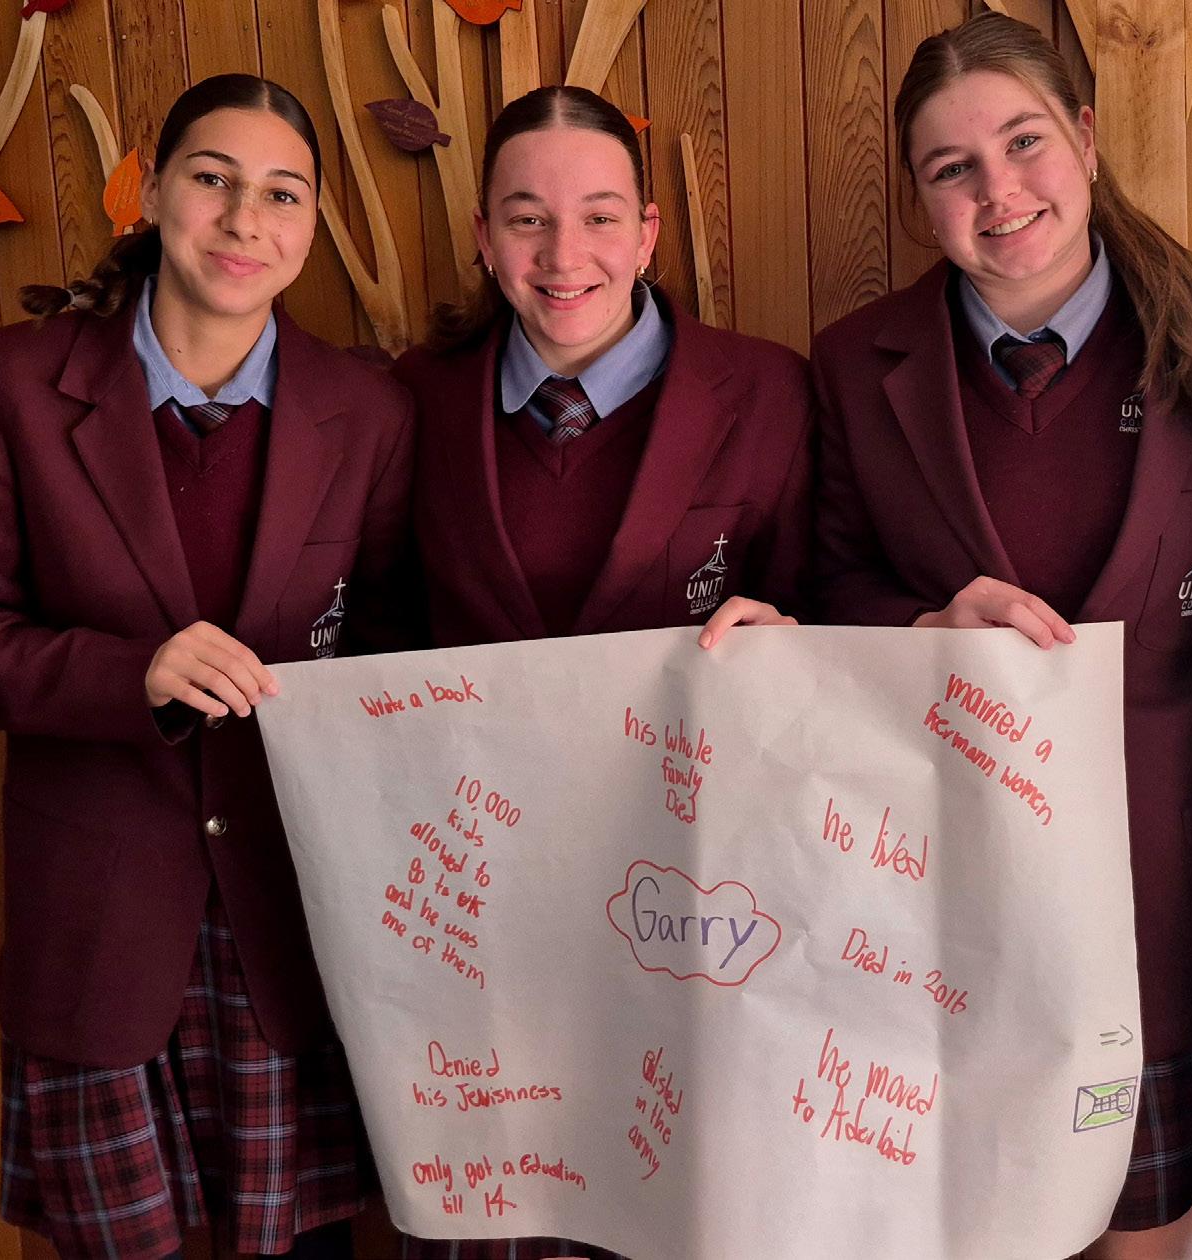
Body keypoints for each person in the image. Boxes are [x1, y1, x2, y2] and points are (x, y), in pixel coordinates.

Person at [809, 12, 1192, 1257]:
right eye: (952, 167)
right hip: (939, 907)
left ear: (1084, 138)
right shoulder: (852, 364)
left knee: (1144, 1237)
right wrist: (927, 626)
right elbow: (826, 583)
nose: (999, 190)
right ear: (920, 197)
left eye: (1023, 141)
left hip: (1172, 896)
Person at [0, 74, 414, 1259]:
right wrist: (131, 674)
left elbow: (395, 649)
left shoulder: (368, 412)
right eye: (212, 178)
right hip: (100, 921)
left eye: (282, 194)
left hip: (301, 923)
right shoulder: (10, 383)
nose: (244, 220)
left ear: (313, 224)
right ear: (149, 190)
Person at [388, 83, 815, 1260]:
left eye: (599, 216)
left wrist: (791, 638)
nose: (563, 253)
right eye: (526, 218)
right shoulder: (411, 400)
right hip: (481, 915)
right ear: (484, 238)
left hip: (705, 902)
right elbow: (376, 639)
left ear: (649, 231)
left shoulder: (768, 391)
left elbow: (826, 614)